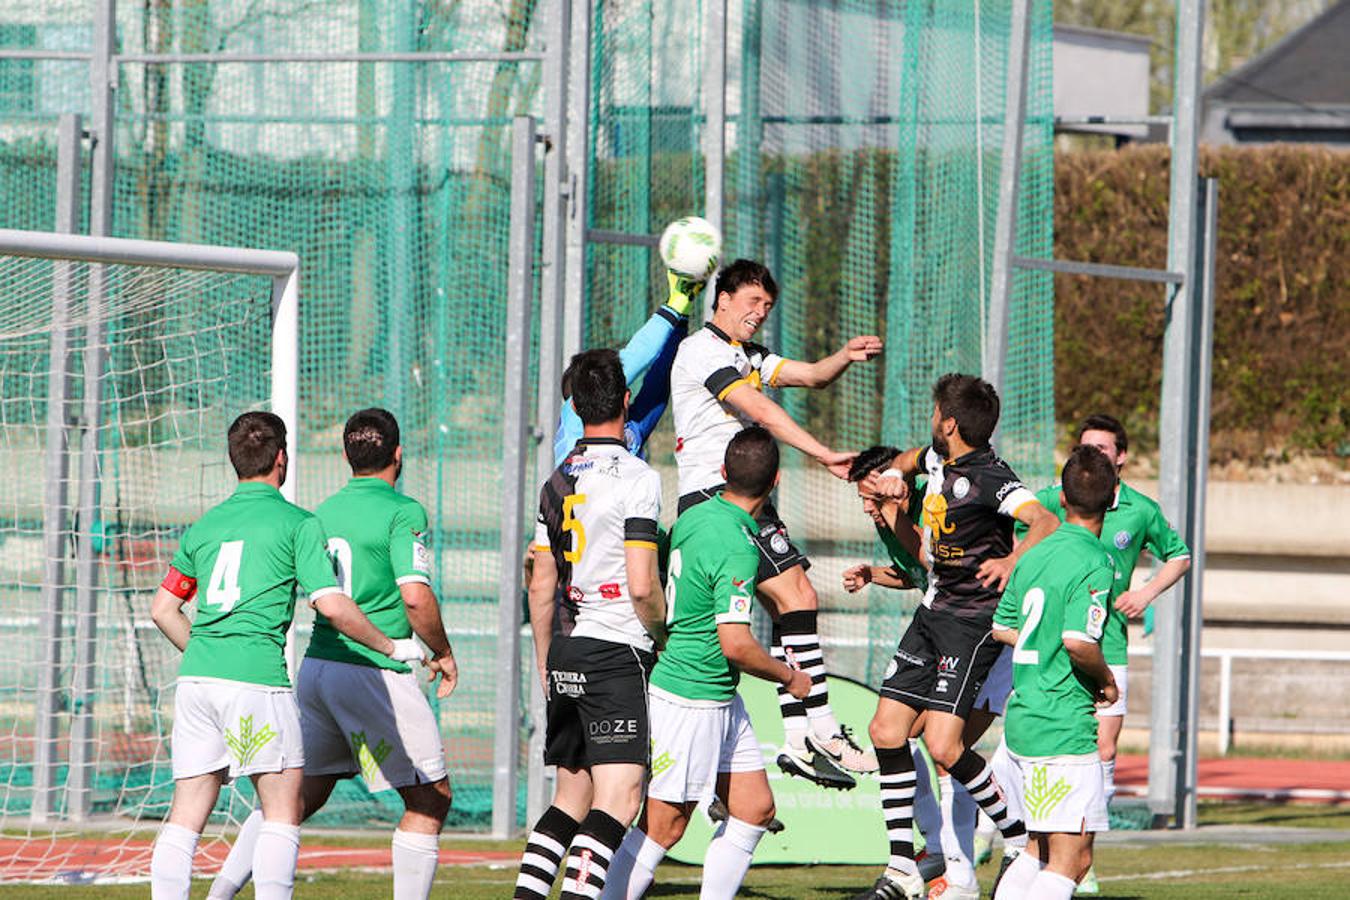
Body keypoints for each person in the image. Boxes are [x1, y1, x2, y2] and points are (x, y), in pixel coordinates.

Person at [149, 412, 424, 900]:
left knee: (186, 814)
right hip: (256, 680)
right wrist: (392, 645)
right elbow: (333, 605)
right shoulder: (298, 524)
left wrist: (210, 653)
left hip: (197, 682)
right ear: (282, 459)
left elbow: (163, 609)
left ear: (234, 461)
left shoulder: (204, 527)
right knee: (281, 810)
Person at [670, 257, 883, 789]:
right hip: (715, 501)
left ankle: (796, 741)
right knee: (799, 598)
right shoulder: (702, 351)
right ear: (722, 299)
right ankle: (824, 729)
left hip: (742, 501)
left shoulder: (747, 355)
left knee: (791, 606)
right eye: (752, 302)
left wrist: (843, 357)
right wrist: (824, 454)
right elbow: (760, 411)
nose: (760, 313)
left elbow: (809, 376)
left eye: (767, 306)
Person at [852, 374, 1059, 900]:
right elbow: (904, 462)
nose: (930, 419)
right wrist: (888, 480)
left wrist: (1014, 559)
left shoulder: (991, 477)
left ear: (949, 422)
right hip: (931, 612)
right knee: (885, 730)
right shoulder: (935, 460)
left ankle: (1018, 837)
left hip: (972, 624)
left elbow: (1045, 522)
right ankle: (902, 866)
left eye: (934, 411)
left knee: (945, 746)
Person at [602, 426, 812, 900]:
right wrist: (789, 677)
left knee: (755, 809)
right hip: (689, 696)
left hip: (718, 694)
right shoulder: (738, 545)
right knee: (664, 826)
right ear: (775, 481)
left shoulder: (696, 514)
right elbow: (735, 642)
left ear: (722, 472)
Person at [1014, 413, 1191, 893]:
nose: (1090, 454)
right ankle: (1053, 847)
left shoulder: (1139, 509)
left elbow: (1179, 554)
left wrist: (1147, 592)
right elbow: (1023, 534)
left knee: (1103, 747)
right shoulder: (1057, 500)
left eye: (1101, 447)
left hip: (1107, 644)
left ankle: (1082, 852)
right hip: (1062, 650)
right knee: (1062, 749)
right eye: (1083, 447)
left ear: (1121, 457)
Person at [514, 349, 668, 900]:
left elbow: (541, 583)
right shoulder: (637, 477)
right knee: (620, 798)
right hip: (617, 649)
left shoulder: (556, 479)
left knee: (570, 799)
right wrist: (663, 636)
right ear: (627, 402)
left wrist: (546, 660)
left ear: (576, 410)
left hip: (569, 651)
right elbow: (643, 585)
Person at [990, 445, 1122, 900]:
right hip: (1061, 725)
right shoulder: (1095, 561)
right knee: (1074, 860)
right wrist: (1106, 681)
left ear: (1061, 500)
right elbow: (1078, 642)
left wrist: (1041, 640)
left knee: (1037, 850)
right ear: (1113, 498)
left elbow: (1003, 627)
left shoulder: (1032, 554)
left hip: (1024, 719)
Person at [552, 273, 700, 464]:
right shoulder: (573, 424)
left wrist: (681, 319)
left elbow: (659, 381)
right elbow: (635, 357)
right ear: (575, 403)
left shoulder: (629, 432)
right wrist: (675, 306)